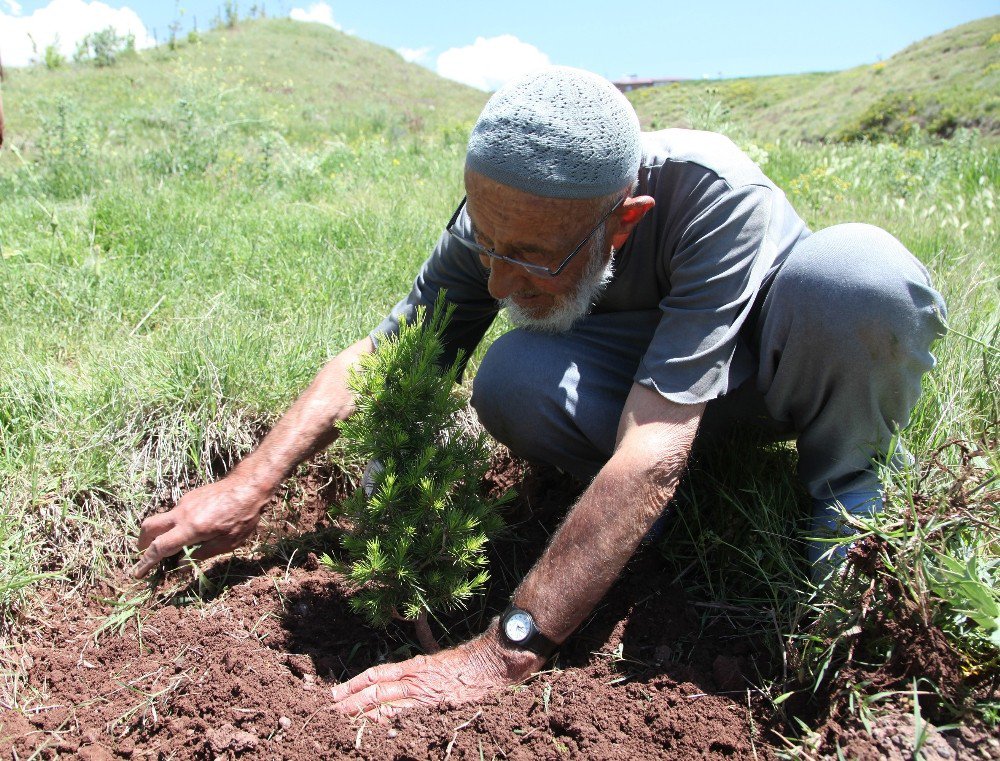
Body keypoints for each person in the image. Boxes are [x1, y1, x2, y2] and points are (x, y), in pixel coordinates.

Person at [134, 67, 947, 721]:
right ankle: (641, 509)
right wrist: (249, 487)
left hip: (766, 367)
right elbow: (387, 355)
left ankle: (847, 492)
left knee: (859, 282)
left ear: (622, 224)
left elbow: (655, 445)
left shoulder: (712, 196)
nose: (495, 277)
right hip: (650, 395)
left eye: (528, 257)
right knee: (511, 377)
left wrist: (505, 646)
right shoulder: (511, 209)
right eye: (487, 243)